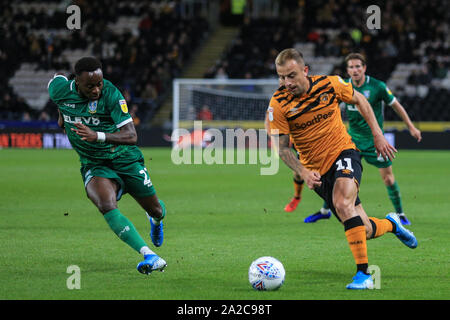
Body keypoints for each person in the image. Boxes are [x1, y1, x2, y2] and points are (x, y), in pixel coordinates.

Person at [267, 48, 417, 289]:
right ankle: (392, 223)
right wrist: (303, 172)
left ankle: (364, 276)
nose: (287, 82)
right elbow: (282, 148)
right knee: (363, 228)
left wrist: (378, 135)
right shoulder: (279, 104)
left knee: (342, 204)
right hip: (316, 172)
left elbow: (360, 100)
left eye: (292, 76)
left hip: (344, 152)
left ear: (305, 71)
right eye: (281, 77)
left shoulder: (330, 84)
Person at [48, 57, 167, 275]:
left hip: (125, 158)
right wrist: (61, 114)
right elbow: (56, 82)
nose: (96, 89)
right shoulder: (60, 90)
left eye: (99, 84)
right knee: (105, 204)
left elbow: (131, 135)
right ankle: (149, 255)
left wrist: (98, 136)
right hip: (94, 163)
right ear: (77, 82)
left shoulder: (111, 94)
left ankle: (155, 220)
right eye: (90, 86)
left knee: (156, 209)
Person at [310, 53, 422, 225]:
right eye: (351, 67)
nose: (355, 70)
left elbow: (396, 106)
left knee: (388, 178)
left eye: (358, 66)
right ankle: (326, 211)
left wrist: (411, 127)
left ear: (364, 68)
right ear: (347, 70)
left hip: (375, 141)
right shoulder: (343, 86)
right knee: (336, 176)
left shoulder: (377, 87)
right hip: (350, 140)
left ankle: (400, 214)